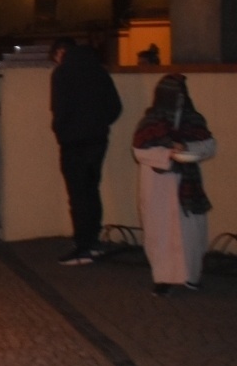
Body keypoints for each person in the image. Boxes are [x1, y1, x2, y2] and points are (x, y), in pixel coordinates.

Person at [131, 74, 216, 295]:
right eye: (174, 95)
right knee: (160, 231)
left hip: (187, 184)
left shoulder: (193, 119)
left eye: (181, 94)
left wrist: (187, 149)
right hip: (158, 184)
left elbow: (208, 145)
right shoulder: (151, 122)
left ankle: (192, 275)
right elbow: (140, 151)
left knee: (192, 231)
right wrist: (168, 154)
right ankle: (163, 278)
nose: (179, 99)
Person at [49, 37, 122, 264]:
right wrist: (99, 125)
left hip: (73, 143)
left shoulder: (62, 74)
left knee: (78, 195)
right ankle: (93, 241)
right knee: (91, 191)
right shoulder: (99, 71)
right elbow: (115, 107)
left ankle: (82, 246)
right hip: (97, 140)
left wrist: (62, 131)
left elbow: (59, 109)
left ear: (60, 52)